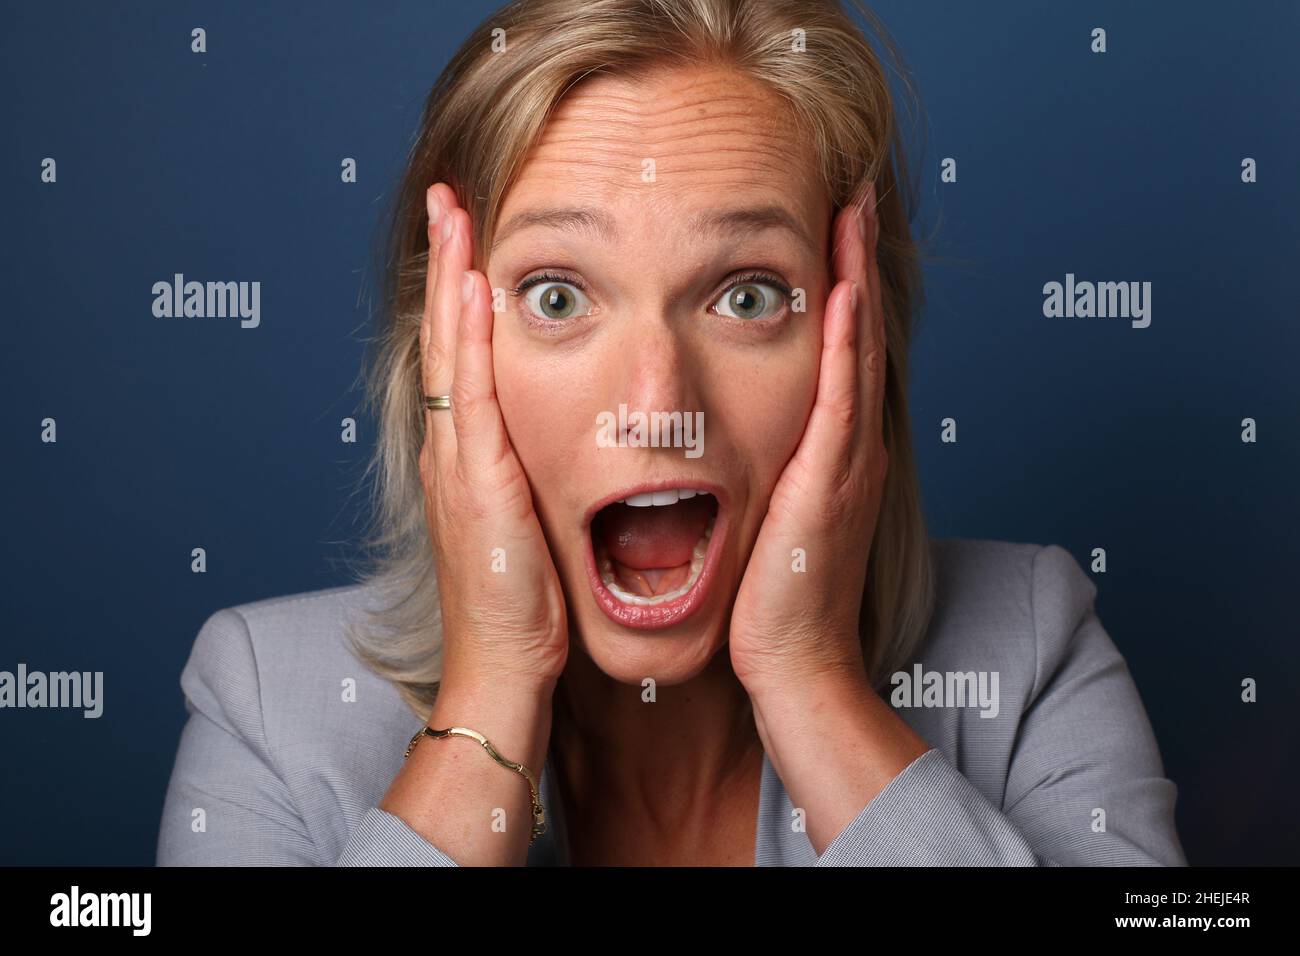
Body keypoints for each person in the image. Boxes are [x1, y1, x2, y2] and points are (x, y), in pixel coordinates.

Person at [157, 0, 1187, 866]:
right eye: (557, 296)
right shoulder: (266, 706)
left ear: (860, 342)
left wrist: (809, 676)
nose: (655, 402)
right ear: (442, 354)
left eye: (745, 296)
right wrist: (493, 687)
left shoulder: (1029, 649)